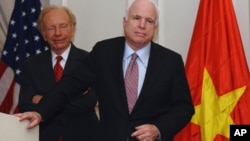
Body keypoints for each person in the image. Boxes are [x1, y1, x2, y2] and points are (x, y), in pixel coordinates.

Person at [16, 0, 194, 140]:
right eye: (136, 18)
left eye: (149, 21)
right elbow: (69, 84)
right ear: (125, 22)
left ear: (155, 27)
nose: (142, 25)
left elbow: (184, 107)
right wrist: (41, 112)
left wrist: (158, 129)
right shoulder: (103, 52)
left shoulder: (171, 61)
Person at [18, 5, 99, 141]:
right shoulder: (31, 64)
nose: (57, 33)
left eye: (63, 26)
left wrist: (42, 100)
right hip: (45, 136)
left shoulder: (90, 61)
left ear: (72, 29)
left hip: (83, 136)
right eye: (51, 28)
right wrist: (72, 98)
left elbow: (88, 103)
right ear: (43, 34)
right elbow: (25, 104)